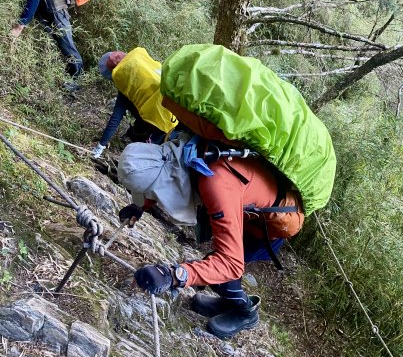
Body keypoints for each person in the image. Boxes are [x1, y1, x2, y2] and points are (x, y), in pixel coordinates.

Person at [116, 133, 305, 340]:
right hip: (246, 203)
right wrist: (140, 205)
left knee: (222, 271)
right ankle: (228, 302)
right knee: (219, 267)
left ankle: (246, 313)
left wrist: (174, 276)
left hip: (267, 226)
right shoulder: (179, 144)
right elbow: (163, 172)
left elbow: (231, 264)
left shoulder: (216, 184)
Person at [91, 48, 178, 158]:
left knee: (149, 157)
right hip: (178, 108)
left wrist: (101, 145)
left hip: (160, 121)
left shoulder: (125, 82)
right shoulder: (139, 58)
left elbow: (115, 119)